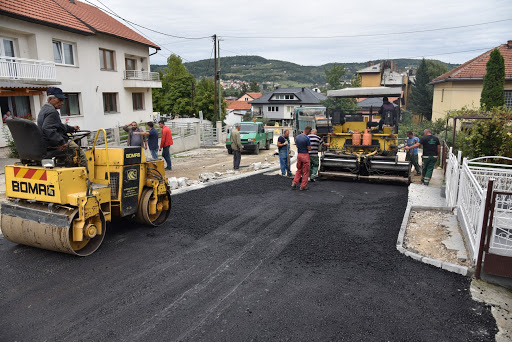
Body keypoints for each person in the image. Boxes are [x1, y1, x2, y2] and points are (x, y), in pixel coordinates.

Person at [37, 87, 87, 170]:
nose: (62, 103)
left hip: (46, 143)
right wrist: (61, 142)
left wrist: (72, 128)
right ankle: (86, 178)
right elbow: (48, 128)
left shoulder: (44, 110)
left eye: (62, 100)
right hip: (53, 143)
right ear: (50, 99)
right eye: (59, 100)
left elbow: (58, 125)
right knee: (80, 153)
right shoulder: (52, 112)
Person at [292, 126, 311, 191]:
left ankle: (294, 182)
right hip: (305, 155)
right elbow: (309, 148)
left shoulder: (297, 137)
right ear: (308, 131)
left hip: (299, 155)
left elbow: (297, 146)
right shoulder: (307, 138)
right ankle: (303, 186)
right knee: (306, 171)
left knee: (299, 169)